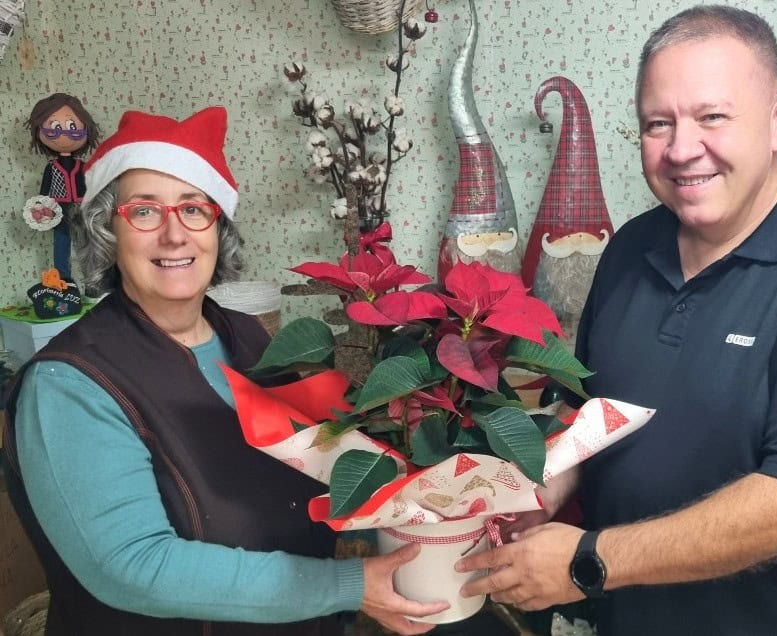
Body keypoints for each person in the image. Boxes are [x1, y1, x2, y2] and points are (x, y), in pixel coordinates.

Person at [456, 6, 777, 635]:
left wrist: (587, 562)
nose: (682, 149)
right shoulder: (628, 249)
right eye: (659, 123)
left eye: (712, 117)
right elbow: (594, 410)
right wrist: (543, 490)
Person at [1, 106, 448, 636]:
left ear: (219, 229)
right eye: (144, 212)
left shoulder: (247, 336)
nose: (174, 235)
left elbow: (315, 462)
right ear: (107, 232)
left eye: (194, 209)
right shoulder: (68, 384)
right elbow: (133, 569)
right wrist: (346, 586)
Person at [25, 93, 101, 280]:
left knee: (87, 247)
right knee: (61, 247)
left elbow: (91, 189)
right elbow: (44, 193)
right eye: (55, 127)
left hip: (82, 210)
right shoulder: (51, 168)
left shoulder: (83, 167)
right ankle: (65, 285)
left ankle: (92, 285)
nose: (64, 134)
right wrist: (41, 209)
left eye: (72, 126)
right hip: (58, 210)